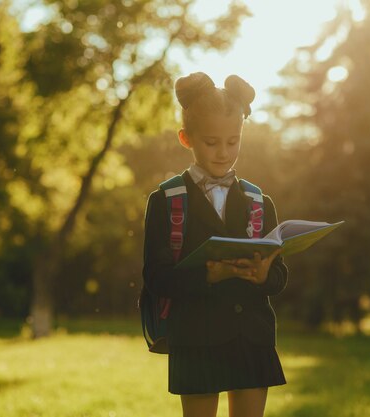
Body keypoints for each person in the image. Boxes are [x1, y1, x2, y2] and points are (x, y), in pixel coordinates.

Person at [142, 72, 288, 417]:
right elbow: (156, 278)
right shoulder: (166, 200)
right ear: (185, 138)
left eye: (233, 141)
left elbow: (280, 277)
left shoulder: (259, 201)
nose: (224, 153)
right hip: (195, 337)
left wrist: (264, 275)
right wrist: (210, 274)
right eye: (211, 142)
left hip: (252, 337)